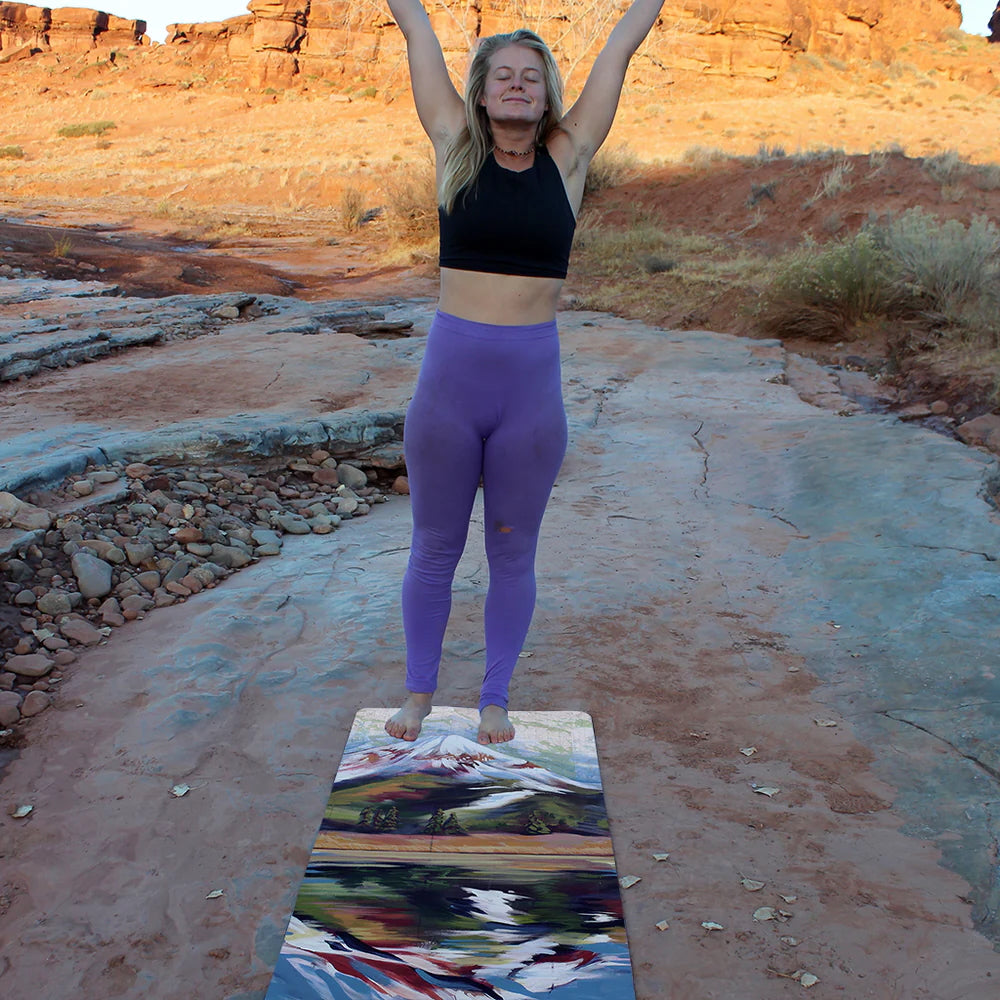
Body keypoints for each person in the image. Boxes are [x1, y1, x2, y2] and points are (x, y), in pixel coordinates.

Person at [384, 0, 666, 745]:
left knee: (512, 548)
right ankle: (417, 694)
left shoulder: (568, 158)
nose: (515, 86)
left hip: (529, 400)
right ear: (479, 93)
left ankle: (495, 701)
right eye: (502, 76)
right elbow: (415, 26)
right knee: (435, 547)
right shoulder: (452, 143)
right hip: (448, 392)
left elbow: (620, 50)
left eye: (530, 78)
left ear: (547, 96)